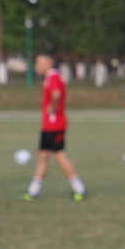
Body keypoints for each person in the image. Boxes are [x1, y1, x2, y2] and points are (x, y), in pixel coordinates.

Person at [23, 54, 87, 201]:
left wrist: (52, 107)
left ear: (49, 64)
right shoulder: (49, 78)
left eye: (40, 63)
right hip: (48, 125)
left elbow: (56, 94)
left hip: (55, 124)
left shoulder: (53, 77)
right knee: (43, 156)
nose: (37, 66)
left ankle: (79, 189)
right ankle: (33, 191)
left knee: (59, 156)